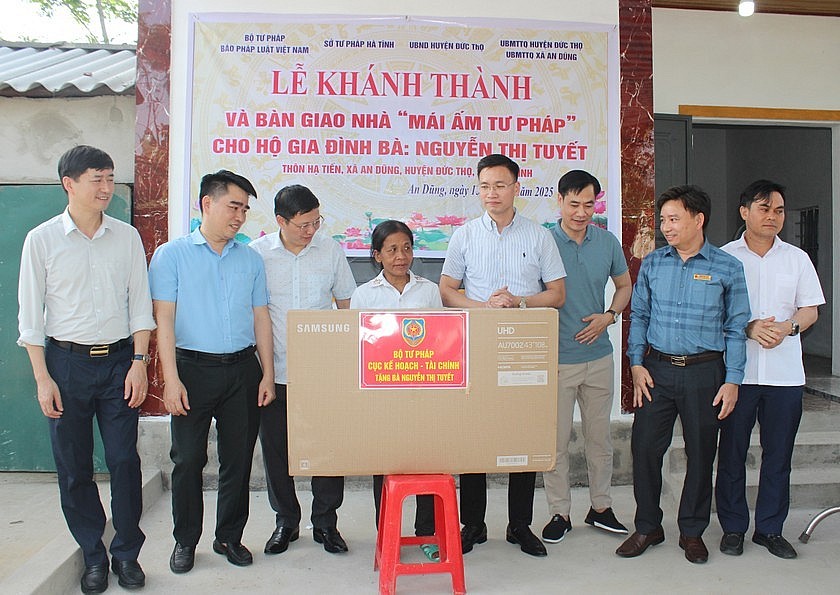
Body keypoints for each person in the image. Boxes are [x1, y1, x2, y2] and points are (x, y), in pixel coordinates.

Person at [17, 145, 155, 593]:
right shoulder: (41, 240)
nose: (106, 187)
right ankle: (93, 555)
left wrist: (139, 363)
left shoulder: (126, 237)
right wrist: (43, 379)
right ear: (69, 184)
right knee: (74, 467)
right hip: (65, 364)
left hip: (119, 363)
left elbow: (141, 305)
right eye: (97, 178)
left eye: (110, 178)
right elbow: (30, 319)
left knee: (124, 460)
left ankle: (127, 554)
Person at [439, 153, 567, 557]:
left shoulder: (538, 236)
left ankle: (519, 525)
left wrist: (519, 303)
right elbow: (447, 291)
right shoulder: (464, 236)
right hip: (476, 347)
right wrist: (485, 307)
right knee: (473, 435)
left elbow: (557, 294)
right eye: (484, 186)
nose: (491, 193)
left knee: (522, 434)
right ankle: (473, 525)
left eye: (499, 185)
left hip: (523, 349)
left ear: (516, 188)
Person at [149, 170, 275, 574]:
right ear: (207, 203)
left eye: (245, 210)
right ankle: (185, 540)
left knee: (238, 460)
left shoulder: (250, 259)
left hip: (243, 370)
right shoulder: (172, 255)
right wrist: (171, 380)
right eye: (233, 207)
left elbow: (261, 318)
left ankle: (229, 537)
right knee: (188, 459)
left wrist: (267, 374)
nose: (240, 217)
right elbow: (163, 322)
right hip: (192, 370)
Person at [618, 184, 750, 564]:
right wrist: (636, 363)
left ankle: (692, 531)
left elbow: (736, 327)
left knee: (701, 453)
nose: (666, 227)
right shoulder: (654, 263)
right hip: (656, 371)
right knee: (644, 449)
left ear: (698, 219)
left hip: (705, 373)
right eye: (663, 220)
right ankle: (648, 526)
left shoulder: (727, 267)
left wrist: (733, 379)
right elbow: (639, 315)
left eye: (674, 219)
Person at [715, 180, 824, 560]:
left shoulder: (797, 259)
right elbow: (714, 312)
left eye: (778, 211)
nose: (773, 217)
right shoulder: (724, 258)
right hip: (738, 376)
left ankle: (770, 530)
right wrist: (747, 328)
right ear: (744, 212)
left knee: (778, 456)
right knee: (732, 454)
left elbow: (810, 309)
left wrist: (790, 327)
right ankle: (733, 528)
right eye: (764, 209)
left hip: (785, 376)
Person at [250, 184, 357, 556]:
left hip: (322, 372)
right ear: (281, 221)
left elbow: (347, 306)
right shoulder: (257, 255)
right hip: (273, 371)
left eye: (316, 222)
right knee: (276, 452)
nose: (311, 231)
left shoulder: (330, 251)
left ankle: (326, 522)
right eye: (303, 225)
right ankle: (286, 521)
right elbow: (254, 314)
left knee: (328, 450)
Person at [541, 170, 632, 544]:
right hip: (557, 358)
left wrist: (609, 316)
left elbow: (624, 285)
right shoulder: (544, 242)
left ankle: (601, 508)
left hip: (598, 357)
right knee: (555, 443)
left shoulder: (606, 241)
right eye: (574, 204)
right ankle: (559, 513)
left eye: (589, 205)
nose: (581, 213)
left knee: (599, 441)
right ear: (559, 201)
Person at [350, 219, 443, 561]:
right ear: (377, 255)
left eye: (406, 248)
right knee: (385, 465)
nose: (401, 256)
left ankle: (426, 534)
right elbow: (358, 347)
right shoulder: (364, 295)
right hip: (382, 396)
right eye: (391, 250)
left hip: (424, 393)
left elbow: (441, 339)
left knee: (427, 463)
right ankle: (387, 534)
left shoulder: (428, 291)